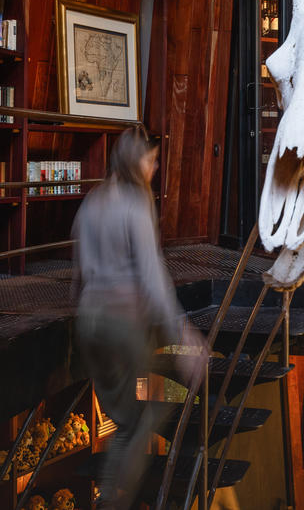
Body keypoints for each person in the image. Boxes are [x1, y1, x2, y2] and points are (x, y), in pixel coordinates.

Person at [71, 125, 206, 509]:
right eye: (152, 160)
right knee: (159, 403)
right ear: (135, 161)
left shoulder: (92, 201)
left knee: (125, 420)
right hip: (122, 326)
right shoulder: (135, 204)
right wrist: (185, 336)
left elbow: (79, 273)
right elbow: (152, 277)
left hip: (89, 323)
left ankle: (108, 495)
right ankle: (114, 502)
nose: (155, 168)